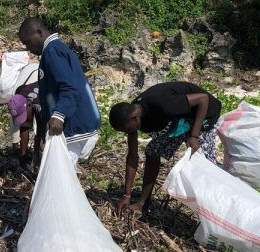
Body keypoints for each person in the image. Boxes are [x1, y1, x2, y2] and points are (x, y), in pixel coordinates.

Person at [109, 81, 222, 215]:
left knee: (205, 166)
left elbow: (203, 99)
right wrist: (127, 195)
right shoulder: (131, 116)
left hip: (204, 114)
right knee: (153, 152)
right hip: (180, 120)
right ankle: (142, 204)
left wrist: (194, 136)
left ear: (134, 118)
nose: (128, 133)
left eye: (127, 130)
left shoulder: (162, 104)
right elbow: (132, 155)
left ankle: (215, 212)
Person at [18, 18, 101, 167]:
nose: (28, 48)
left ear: (39, 32)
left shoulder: (52, 51)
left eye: (28, 42)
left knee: (61, 172)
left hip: (73, 121)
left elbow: (68, 86)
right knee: (63, 171)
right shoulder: (55, 49)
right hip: (74, 120)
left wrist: (59, 115)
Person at [7, 81, 43, 170]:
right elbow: (24, 127)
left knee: (43, 142)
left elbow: (44, 132)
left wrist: (38, 152)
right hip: (34, 100)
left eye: (24, 115)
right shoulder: (20, 95)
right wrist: (22, 156)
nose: (25, 119)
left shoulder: (41, 105)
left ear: (29, 105)